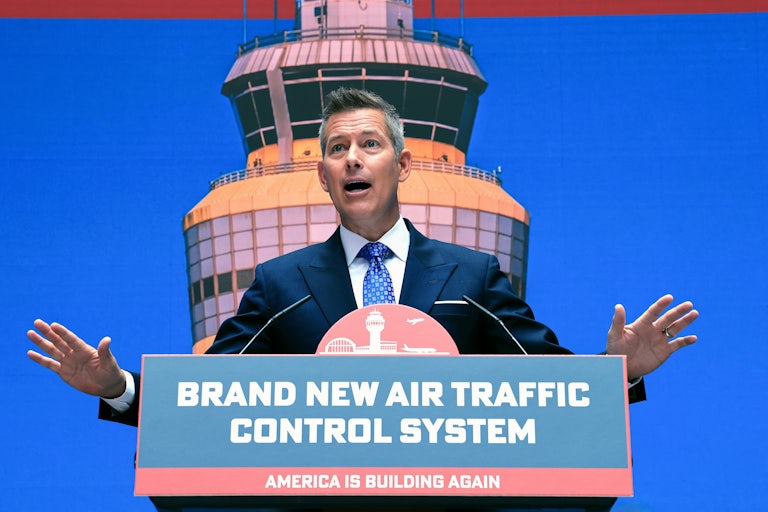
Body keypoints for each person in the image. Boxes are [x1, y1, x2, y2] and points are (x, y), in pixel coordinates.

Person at [26, 87, 699, 428]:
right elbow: (209, 392)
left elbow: (546, 381)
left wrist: (619, 375)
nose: (352, 158)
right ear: (322, 174)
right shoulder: (281, 282)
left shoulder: (472, 276)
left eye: (370, 144)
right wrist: (118, 389)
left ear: (402, 164)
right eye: (338, 148)